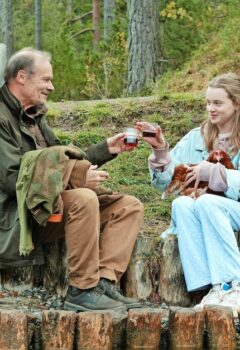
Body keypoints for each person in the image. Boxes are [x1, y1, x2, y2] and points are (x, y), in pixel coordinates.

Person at [0, 47, 144, 312]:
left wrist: (105, 150)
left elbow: (59, 164)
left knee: (128, 206)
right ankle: (81, 290)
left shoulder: (34, 118)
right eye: (45, 79)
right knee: (83, 198)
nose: (51, 87)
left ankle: (104, 282)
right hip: (15, 218)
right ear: (21, 76)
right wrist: (75, 177)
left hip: (45, 208)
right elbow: (11, 178)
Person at [137, 72, 240, 316]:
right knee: (182, 204)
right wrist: (160, 150)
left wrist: (215, 172)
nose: (210, 109)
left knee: (207, 203)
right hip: (210, 208)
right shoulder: (197, 137)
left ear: (236, 103)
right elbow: (167, 182)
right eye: (208, 102)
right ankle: (211, 288)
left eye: (217, 103)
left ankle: (237, 288)